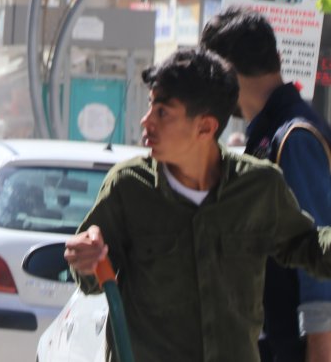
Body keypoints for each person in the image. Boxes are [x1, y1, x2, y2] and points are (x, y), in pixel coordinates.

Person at [64, 48, 331, 362]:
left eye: (163, 112)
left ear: (205, 127)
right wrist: (84, 258)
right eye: (151, 106)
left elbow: (307, 245)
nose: (146, 121)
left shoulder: (259, 186)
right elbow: (92, 278)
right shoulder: (127, 186)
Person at [202, 7, 331, 361]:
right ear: (276, 57)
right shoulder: (269, 133)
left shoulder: (293, 136)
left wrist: (320, 347)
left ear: (224, 73)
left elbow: (319, 245)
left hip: (297, 346)